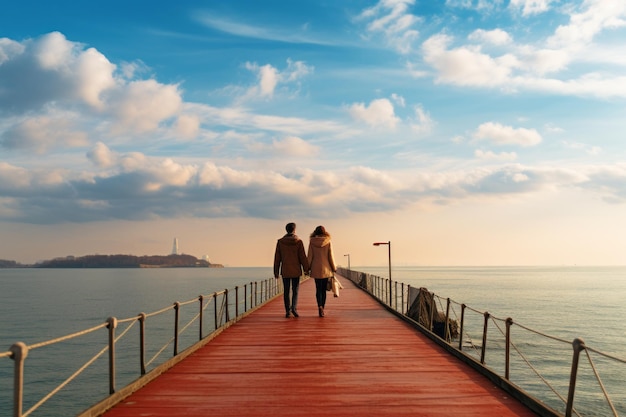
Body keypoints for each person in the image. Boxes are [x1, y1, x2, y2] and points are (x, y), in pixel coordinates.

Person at [274, 222, 309, 318]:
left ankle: (287, 311)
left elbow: (277, 258)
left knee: (286, 290)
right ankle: (294, 308)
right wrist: (306, 269)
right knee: (295, 290)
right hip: (296, 270)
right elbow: (302, 257)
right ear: (294, 230)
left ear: (286, 230)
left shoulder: (280, 242)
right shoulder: (298, 241)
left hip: (285, 270)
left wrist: (276, 271)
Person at [307, 225, 336, 317]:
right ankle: (322, 307)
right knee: (323, 290)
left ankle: (319, 306)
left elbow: (310, 256)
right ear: (325, 232)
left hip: (316, 268)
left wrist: (307, 268)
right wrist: (333, 267)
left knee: (318, 289)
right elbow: (330, 256)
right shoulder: (328, 242)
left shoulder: (312, 242)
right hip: (326, 269)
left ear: (315, 232)